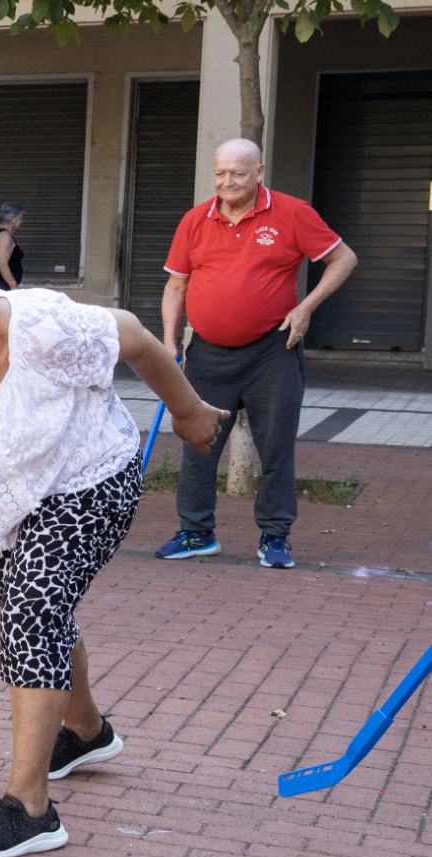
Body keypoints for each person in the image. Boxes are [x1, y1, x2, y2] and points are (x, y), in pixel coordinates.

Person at [0, 258, 225, 857]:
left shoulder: (41, 331)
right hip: (9, 503)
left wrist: (188, 413)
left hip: (90, 480)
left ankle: (29, 808)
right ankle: (86, 732)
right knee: (41, 612)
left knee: (33, 613)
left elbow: (134, 336)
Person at [156, 138, 358, 570]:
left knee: (276, 447)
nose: (227, 182)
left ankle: (274, 537)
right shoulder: (195, 220)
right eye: (220, 174)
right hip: (207, 354)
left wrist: (306, 307)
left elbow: (343, 258)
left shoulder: (293, 213)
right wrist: (169, 343)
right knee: (198, 443)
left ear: (260, 172)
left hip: (273, 350)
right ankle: (196, 532)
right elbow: (176, 285)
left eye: (238, 173)